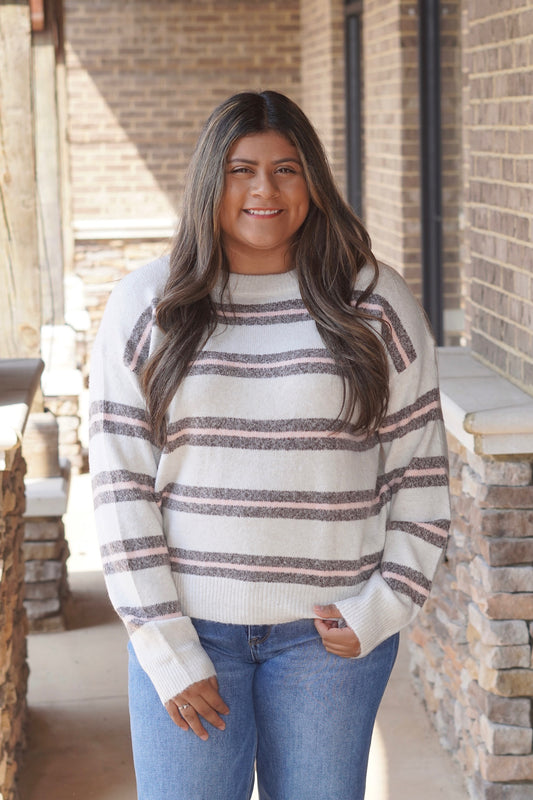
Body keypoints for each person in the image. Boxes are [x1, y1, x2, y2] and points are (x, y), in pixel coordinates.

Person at [89, 90, 450, 800]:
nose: (265, 190)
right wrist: (166, 646)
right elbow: (120, 487)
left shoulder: (374, 303)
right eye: (240, 170)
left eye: (286, 169)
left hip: (328, 642)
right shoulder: (147, 305)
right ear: (209, 181)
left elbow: (419, 471)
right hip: (190, 629)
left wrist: (383, 607)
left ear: (312, 181)